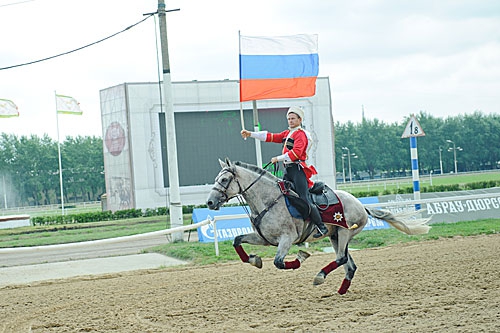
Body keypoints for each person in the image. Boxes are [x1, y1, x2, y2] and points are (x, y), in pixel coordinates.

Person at [241, 106, 328, 238]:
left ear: (300, 119)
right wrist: (250, 134)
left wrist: (278, 158)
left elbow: (296, 153)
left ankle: (321, 226)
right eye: (288, 119)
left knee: (303, 199)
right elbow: (270, 136)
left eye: (293, 118)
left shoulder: (301, 134)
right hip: (288, 170)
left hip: (298, 171)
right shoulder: (288, 133)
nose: (290, 121)